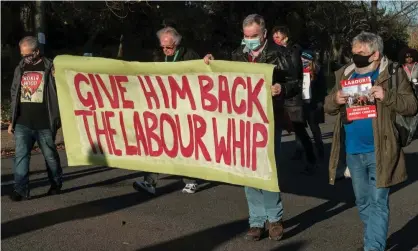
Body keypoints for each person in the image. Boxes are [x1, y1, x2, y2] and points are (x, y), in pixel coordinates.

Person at [204, 14, 300, 242]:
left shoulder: (282, 53)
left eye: (254, 36)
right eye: (246, 36)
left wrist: (281, 88)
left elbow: (295, 83)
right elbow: (224, 77)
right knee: (248, 171)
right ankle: (256, 221)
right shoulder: (238, 54)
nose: (249, 40)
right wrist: (209, 63)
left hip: (269, 119)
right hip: (244, 121)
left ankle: (274, 219)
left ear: (264, 34)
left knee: (267, 169)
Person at [324, 31, 418, 251]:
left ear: (375, 54)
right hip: (353, 151)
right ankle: (372, 239)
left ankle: (373, 247)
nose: (355, 56)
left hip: (382, 149)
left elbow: (412, 105)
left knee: (378, 202)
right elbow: (327, 106)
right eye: (354, 52)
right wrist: (335, 100)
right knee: (363, 201)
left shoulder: (393, 73)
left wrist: (387, 96)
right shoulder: (346, 74)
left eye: (361, 53)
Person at [133, 26, 201, 195]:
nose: (165, 50)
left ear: (177, 44)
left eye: (169, 47)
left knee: (185, 144)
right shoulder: (158, 56)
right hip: (162, 108)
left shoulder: (189, 55)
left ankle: (191, 180)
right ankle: (150, 182)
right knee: (156, 143)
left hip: (184, 108)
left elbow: (202, 75)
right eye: (162, 47)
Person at [8, 36, 63, 201]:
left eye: (27, 54)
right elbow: (14, 93)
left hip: (44, 123)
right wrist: (12, 120)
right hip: (22, 122)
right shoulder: (20, 68)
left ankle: (56, 184)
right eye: (22, 54)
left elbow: (62, 89)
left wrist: (57, 75)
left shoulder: (50, 67)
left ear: (37, 51)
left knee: (50, 156)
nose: (25, 58)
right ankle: (20, 190)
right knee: (21, 157)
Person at [272, 25, 318, 174]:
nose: (275, 39)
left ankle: (311, 159)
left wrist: (305, 95)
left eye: (278, 37)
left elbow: (300, 74)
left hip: (293, 96)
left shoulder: (296, 51)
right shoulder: (274, 52)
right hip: (278, 94)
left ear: (285, 37)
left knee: (299, 129)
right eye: (273, 37)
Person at [300, 50, 327, 161]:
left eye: (305, 59)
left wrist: (320, 101)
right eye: (302, 58)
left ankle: (320, 149)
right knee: (300, 128)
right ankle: (300, 150)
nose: (303, 61)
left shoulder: (318, 71)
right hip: (301, 103)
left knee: (314, 127)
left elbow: (322, 87)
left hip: (313, 103)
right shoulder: (299, 70)